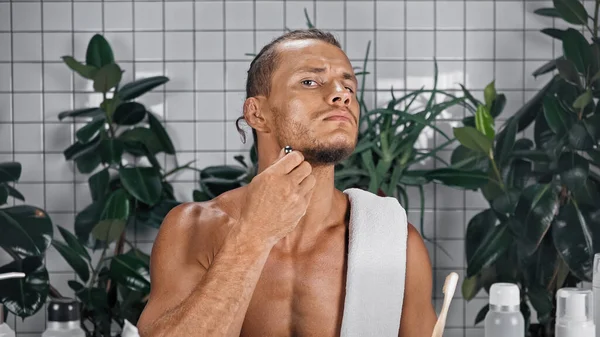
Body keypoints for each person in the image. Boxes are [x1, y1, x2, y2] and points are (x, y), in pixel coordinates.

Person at [137, 28, 437, 337]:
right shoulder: (193, 230)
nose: (342, 94)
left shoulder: (394, 242)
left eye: (349, 86)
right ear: (257, 114)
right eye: (310, 81)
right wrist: (254, 234)